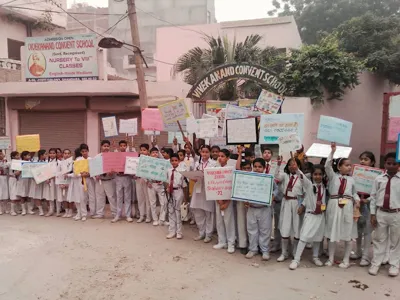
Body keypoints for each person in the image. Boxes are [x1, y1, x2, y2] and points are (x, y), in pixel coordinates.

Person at [324, 142, 360, 269]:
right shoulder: (333, 177)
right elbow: (327, 166)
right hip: (334, 204)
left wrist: (357, 199)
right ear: (339, 167)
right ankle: (331, 258)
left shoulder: (351, 180)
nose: (349, 167)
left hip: (348, 206)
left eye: (350, 165)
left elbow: (354, 193)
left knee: (348, 232)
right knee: (332, 232)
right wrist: (332, 152)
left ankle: (346, 260)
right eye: (346, 165)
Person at [289, 165, 327, 270]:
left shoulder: (324, 187)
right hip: (311, 215)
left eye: (320, 174)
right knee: (304, 237)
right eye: (315, 174)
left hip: (321, 215)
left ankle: (315, 257)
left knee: (318, 238)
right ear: (312, 175)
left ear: (323, 175)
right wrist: (297, 169)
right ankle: (296, 259)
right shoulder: (310, 185)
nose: (318, 176)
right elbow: (302, 178)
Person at [369, 152, 400, 277]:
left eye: (394, 163)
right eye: (388, 163)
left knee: (395, 241)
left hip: (396, 214)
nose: (391, 166)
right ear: (385, 164)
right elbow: (373, 197)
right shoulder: (379, 179)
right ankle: (376, 263)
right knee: (379, 239)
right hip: (381, 212)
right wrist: (372, 214)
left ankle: (394, 265)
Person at [244, 158, 277, 261]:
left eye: (260, 167)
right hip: (252, 208)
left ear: (264, 168)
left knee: (265, 230)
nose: (257, 169)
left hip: (264, 208)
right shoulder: (249, 178)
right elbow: (243, 190)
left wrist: (272, 196)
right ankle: (253, 249)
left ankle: (265, 250)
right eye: (255, 167)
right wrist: (244, 199)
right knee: (252, 229)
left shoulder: (268, 178)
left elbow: (276, 189)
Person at [276, 157, 304, 262]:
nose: (292, 166)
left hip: (297, 203)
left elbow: (305, 193)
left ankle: (295, 252)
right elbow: (276, 177)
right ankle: (284, 252)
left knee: (297, 227)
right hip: (286, 202)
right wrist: (278, 165)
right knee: (285, 226)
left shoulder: (301, 177)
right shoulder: (285, 176)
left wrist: (302, 205)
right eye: (290, 164)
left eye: (295, 164)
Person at [350, 151, 376, 266]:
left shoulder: (377, 176)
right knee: (358, 230)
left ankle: (366, 257)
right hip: (357, 205)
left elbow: (377, 193)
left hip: (369, 206)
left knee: (367, 231)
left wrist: (368, 200)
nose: (362, 161)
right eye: (361, 159)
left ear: (372, 162)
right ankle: (358, 252)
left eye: (366, 159)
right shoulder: (355, 174)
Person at [191, 145, 216, 243]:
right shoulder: (197, 163)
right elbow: (193, 175)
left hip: (208, 190)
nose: (204, 154)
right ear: (200, 152)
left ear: (209, 153)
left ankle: (208, 234)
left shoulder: (214, 164)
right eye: (203, 152)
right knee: (198, 212)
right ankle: (201, 232)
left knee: (208, 212)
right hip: (198, 189)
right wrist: (192, 177)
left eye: (206, 152)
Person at [213, 149, 236, 254]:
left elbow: (231, 186)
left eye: (222, 156)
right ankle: (222, 241)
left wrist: (226, 202)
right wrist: (219, 200)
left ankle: (231, 243)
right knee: (219, 220)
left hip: (228, 201)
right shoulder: (214, 169)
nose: (220, 158)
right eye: (219, 156)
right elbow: (213, 184)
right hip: (217, 199)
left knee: (229, 221)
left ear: (227, 158)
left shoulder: (230, 170)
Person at [94, 140, 117, 219]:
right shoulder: (97, 157)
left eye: (107, 146)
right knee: (100, 197)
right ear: (101, 147)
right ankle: (100, 213)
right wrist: (96, 175)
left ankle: (115, 213)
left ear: (109, 147)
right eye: (104, 146)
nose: (106, 148)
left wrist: (112, 172)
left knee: (112, 197)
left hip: (109, 179)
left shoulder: (113, 156)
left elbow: (116, 167)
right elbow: (94, 169)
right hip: (99, 180)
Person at [166, 153, 187, 239]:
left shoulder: (182, 171)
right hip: (170, 192)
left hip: (179, 191)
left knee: (178, 212)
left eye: (176, 160)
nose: (174, 162)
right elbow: (167, 181)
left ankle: (179, 232)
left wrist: (185, 198)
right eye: (172, 161)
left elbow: (185, 185)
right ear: (170, 161)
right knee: (171, 212)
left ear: (179, 161)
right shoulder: (168, 170)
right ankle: (172, 231)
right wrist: (167, 188)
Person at [146, 147, 168, 226]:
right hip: (151, 184)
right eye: (153, 152)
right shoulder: (147, 162)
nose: (155, 154)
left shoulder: (161, 162)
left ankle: (162, 219)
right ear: (150, 154)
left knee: (164, 202)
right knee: (153, 203)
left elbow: (165, 172)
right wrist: (147, 181)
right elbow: (144, 172)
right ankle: (155, 219)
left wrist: (163, 179)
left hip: (160, 184)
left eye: (156, 152)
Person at [235, 153, 252, 255]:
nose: (247, 170)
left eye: (248, 168)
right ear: (241, 169)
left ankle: (252, 244)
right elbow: (237, 167)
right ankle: (243, 244)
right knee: (241, 223)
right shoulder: (238, 175)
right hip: (240, 202)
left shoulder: (254, 176)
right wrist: (240, 153)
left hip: (251, 203)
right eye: (244, 168)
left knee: (251, 225)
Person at [113, 140, 133, 223]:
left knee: (127, 197)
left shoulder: (130, 156)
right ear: (119, 146)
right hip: (118, 177)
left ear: (126, 146)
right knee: (119, 197)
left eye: (124, 145)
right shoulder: (115, 155)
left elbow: (132, 165)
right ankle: (118, 214)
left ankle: (128, 215)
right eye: (121, 145)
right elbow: (112, 165)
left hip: (127, 177)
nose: (122, 147)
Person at [67, 148, 85, 220]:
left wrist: (68, 175)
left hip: (77, 181)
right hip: (82, 181)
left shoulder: (76, 161)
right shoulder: (84, 160)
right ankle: (81, 214)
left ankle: (79, 214)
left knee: (77, 198)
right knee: (81, 198)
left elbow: (76, 174)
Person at [136, 144, 151, 223]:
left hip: (147, 181)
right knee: (140, 198)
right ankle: (142, 215)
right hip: (138, 180)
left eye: (144, 150)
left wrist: (149, 180)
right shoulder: (136, 160)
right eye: (141, 150)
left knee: (147, 199)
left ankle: (148, 216)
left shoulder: (150, 160)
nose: (142, 151)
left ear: (148, 151)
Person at [29, 149, 46, 216]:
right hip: (36, 181)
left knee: (43, 195)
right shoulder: (35, 162)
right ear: (41, 155)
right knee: (37, 196)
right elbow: (31, 171)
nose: (46, 155)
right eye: (45, 154)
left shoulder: (46, 162)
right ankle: (40, 210)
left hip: (44, 181)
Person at [42, 148, 57, 217]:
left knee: (56, 195)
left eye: (54, 153)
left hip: (55, 181)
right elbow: (43, 171)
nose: (52, 154)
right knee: (49, 196)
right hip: (47, 181)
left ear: (56, 154)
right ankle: (51, 210)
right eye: (50, 153)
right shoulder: (46, 162)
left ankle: (58, 210)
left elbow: (59, 172)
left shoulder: (58, 162)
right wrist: (46, 178)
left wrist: (52, 177)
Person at [16, 151, 31, 215]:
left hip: (29, 180)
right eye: (28, 155)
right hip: (22, 180)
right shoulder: (19, 163)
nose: (29, 156)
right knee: (23, 195)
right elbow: (16, 173)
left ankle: (29, 209)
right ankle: (23, 210)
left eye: (29, 155)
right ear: (24, 156)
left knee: (28, 195)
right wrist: (21, 169)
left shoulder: (30, 162)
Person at [58, 149, 72, 218]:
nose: (67, 155)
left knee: (70, 198)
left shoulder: (72, 162)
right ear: (63, 154)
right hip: (62, 182)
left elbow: (73, 173)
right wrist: (61, 183)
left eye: (68, 153)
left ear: (70, 154)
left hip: (70, 182)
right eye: (65, 153)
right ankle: (66, 211)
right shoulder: (60, 163)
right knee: (64, 198)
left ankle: (70, 211)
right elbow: (58, 174)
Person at [8, 151, 20, 216]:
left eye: (19, 155)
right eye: (17, 155)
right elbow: (4, 168)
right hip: (12, 179)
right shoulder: (9, 163)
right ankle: (12, 210)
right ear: (13, 157)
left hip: (18, 179)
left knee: (17, 194)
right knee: (13, 194)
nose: (18, 156)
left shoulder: (20, 163)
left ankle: (17, 209)